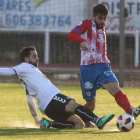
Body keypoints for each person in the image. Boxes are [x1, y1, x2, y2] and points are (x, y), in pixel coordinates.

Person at [0, 46, 114, 129]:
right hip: (52, 99)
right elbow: (9, 71)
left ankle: (50, 124)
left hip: (47, 109)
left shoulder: (28, 77)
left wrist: (36, 120)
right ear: (26, 59)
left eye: (37, 56)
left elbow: (30, 99)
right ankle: (97, 120)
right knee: (74, 106)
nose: (37, 58)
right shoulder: (24, 66)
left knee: (79, 125)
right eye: (34, 56)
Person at [67, 3, 140, 127]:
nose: (102, 21)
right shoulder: (87, 23)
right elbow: (71, 35)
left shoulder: (102, 28)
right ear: (93, 16)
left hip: (103, 65)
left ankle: (130, 110)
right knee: (91, 105)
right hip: (88, 68)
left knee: (115, 88)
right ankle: (79, 120)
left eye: (105, 18)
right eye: (100, 18)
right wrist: (82, 40)